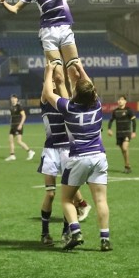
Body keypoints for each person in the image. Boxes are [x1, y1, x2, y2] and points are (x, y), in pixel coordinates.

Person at [42, 60, 112, 252]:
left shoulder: (68, 108)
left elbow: (48, 94)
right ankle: (105, 239)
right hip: (99, 157)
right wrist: (80, 68)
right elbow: (91, 88)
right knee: (100, 200)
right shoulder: (97, 105)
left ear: (76, 94)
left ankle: (76, 232)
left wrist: (48, 72)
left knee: (66, 199)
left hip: (79, 158)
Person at [38, 79, 91, 246]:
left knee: (69, 195)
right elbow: (46, 90)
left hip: (67, 152)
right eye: (50, 82)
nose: (52, 83)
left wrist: (59, 79)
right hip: (50, 152)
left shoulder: (66, 104)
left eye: (55, 82)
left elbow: (63, 89)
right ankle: (45, 233)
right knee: (50, 193)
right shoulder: (45, 102)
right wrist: (49, 70)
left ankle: (66, 231)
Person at [107, 95, 137, 173]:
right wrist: (109, 129)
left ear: (125, 101)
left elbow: (134, 121)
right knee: (123, 151)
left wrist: (134, 132)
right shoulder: (115, 111)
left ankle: (127, 165)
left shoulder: (129, 110)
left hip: (127, 133)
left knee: (124, 148)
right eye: (119, 99)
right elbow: (111, 120)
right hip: (118, 134)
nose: (120, 101)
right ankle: (127, 166)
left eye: (122, 99)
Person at [5, 94, 35, 161]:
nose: (13, 99)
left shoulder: (19, 107)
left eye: (14, 98)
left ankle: (30, 151)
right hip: (13, 126)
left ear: (17, 99)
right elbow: (12, 117)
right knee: (10, 140)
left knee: (19, 141)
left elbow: (24, 116)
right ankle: (12, 155)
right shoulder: (11, 107)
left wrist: (21, 125)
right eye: (12, 98)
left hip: (18, 126)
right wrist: (11, 123)